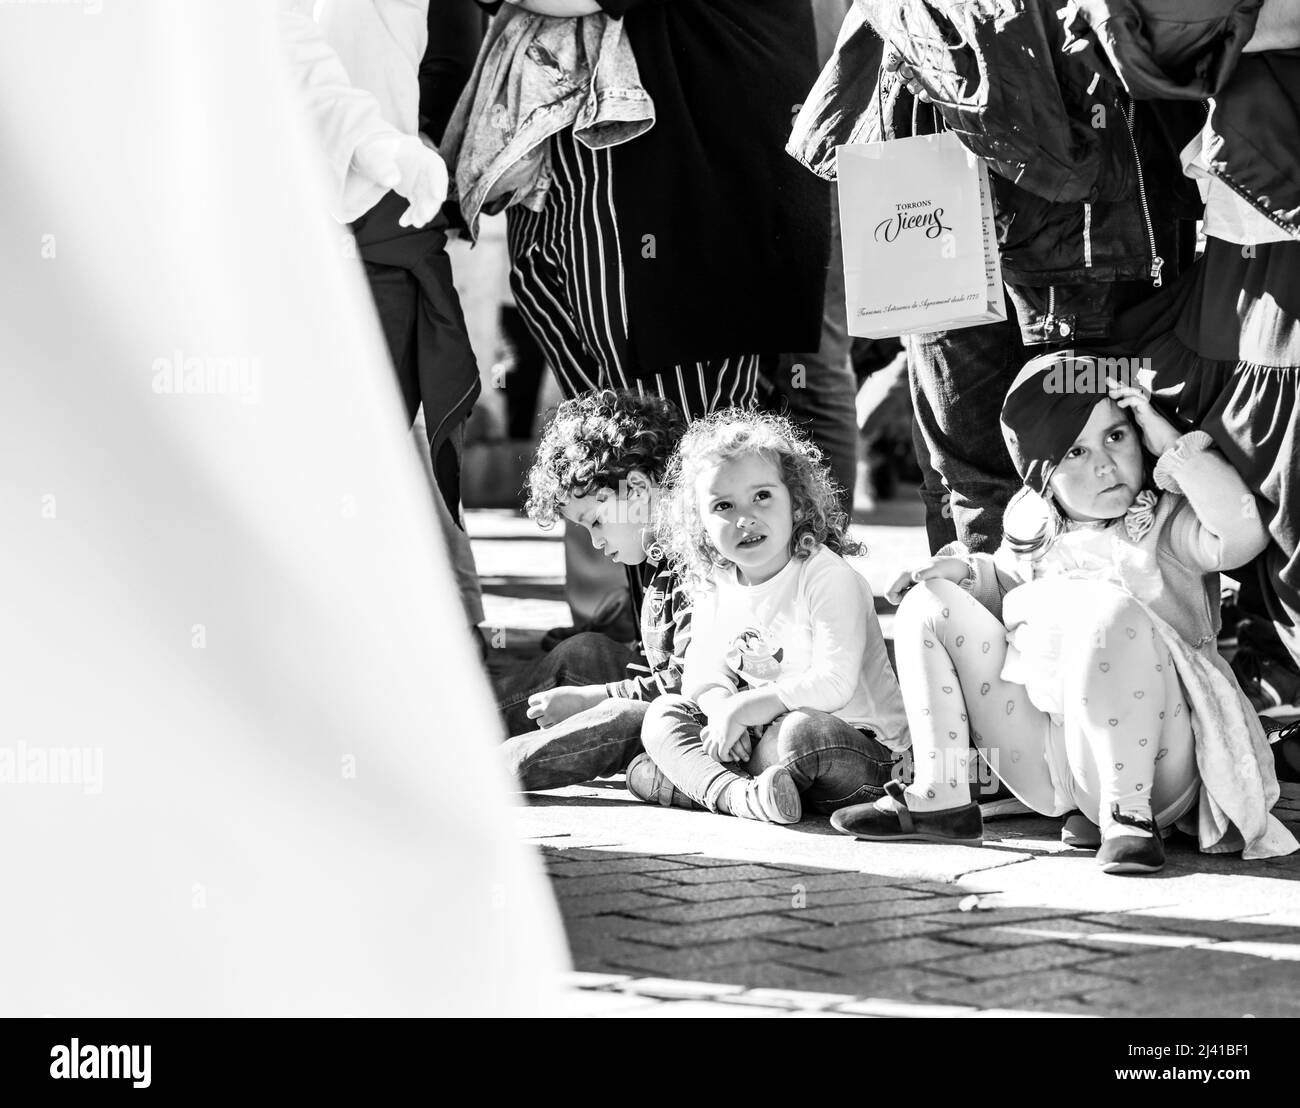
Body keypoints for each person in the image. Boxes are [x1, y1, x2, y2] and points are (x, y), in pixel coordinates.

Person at [832, 350, 1298, 874]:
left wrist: (1171, 445)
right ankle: (940, 793)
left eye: (1117, 436)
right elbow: (1004, 586)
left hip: (1165, 767)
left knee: (1109, 610)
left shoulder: (1167, 520)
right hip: (1057, 766)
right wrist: (960, 575)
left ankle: (1128, 820)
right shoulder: (1033, 521)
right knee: (928, 601)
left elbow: (1244, 533)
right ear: (1041, 477)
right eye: (1074, 451)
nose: (1103, 463)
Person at [636, 411, 909, 824]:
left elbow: (834, 683)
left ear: (796, 502)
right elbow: (703, 677)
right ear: (700, 525)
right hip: (765, 737)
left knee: (801, 733)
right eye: (723, 506)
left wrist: (745, 711)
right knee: (662, 716)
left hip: (861, 754)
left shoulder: (825, 574)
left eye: (762, 496)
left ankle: (699, 782)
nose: (745, 518)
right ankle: (744, 796)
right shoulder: (717, 584)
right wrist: (723, 710)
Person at [497, 391, 693, 791]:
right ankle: (453, 726)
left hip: (700, 721)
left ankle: (480, 770)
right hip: (666, 700)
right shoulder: (662, 555)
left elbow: (690, 685)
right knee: (584, 652)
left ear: (637, 490)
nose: (597, 543)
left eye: (596, 522)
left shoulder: (699, 560)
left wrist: (595, 697)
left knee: (617, 717)